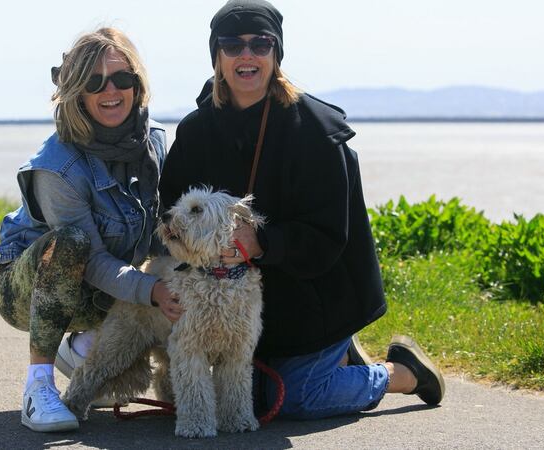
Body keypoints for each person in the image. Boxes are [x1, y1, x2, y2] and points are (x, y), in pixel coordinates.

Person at [158, 0, 445, 420]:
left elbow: (328, 238)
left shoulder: (315, 131)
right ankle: (332, 358)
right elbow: (170, 213)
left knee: (293, 399)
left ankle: (400, 371)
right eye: (232, 45)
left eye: (261, 43)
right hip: (230, 302)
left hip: (314, 295)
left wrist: (262, 242)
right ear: (216, 56)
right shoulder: (196, 131)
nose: (247, 55)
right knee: (222, 400)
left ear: (276, 54)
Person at [0, 28, 181, 432]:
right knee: (71, 242)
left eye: (121, 78)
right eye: (94, 82)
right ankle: (38, 388)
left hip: (101, 286)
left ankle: (82, 345)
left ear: (137, 83)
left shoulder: (158, 142)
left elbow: (163, 234)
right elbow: (91, 259)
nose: (110, 90)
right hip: (28, 286)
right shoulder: (56, 165)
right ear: (77, 91)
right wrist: (152, 292)